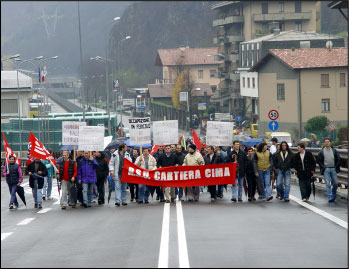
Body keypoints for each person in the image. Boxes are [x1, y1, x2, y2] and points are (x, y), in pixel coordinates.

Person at [316, 138, 341, 202]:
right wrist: (323, 167)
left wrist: (336, 166)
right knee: (328, 184)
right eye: (325, 142)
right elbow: (318, 160)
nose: (327, 143)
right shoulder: (322, 151)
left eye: (328, 142)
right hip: (326, 169)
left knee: (335, 183)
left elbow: (338, 158)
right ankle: (330, 197)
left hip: (333, 168)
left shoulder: (334, 150)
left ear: (330, 143)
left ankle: (333, 194)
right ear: (324, 143)